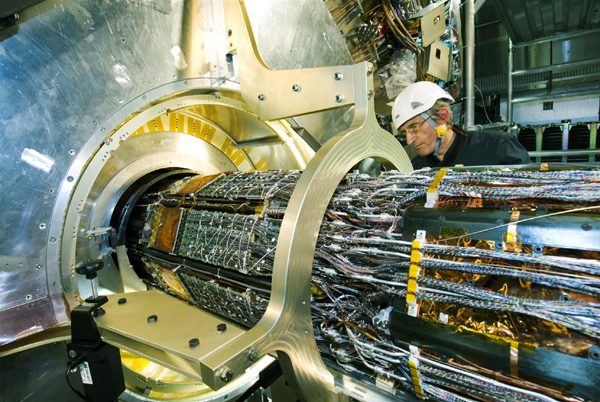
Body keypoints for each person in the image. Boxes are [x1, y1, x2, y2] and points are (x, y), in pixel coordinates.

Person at [392, 81, 531, 169]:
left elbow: (535, 196)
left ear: (442, 117)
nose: (409, 140)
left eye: (414, 127)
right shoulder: (415, 168)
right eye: (405, 133)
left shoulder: (498, 148)